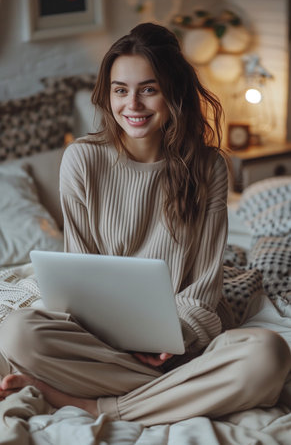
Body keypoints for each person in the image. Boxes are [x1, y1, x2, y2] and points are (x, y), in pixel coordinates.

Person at [0, 23, 290, 426]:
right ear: (109, 94)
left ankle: (94, 404)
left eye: (148, 89)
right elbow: (80, 277)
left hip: (183, 337)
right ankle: (183, 391)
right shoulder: (82, 160)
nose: (132, 104)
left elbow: (205, 284)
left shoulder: (209, 167)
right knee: (17, 332)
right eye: (121, 90)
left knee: (268, 355)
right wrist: (119, 338)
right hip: (100, 338)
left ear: (174, 92)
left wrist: (174, 340)